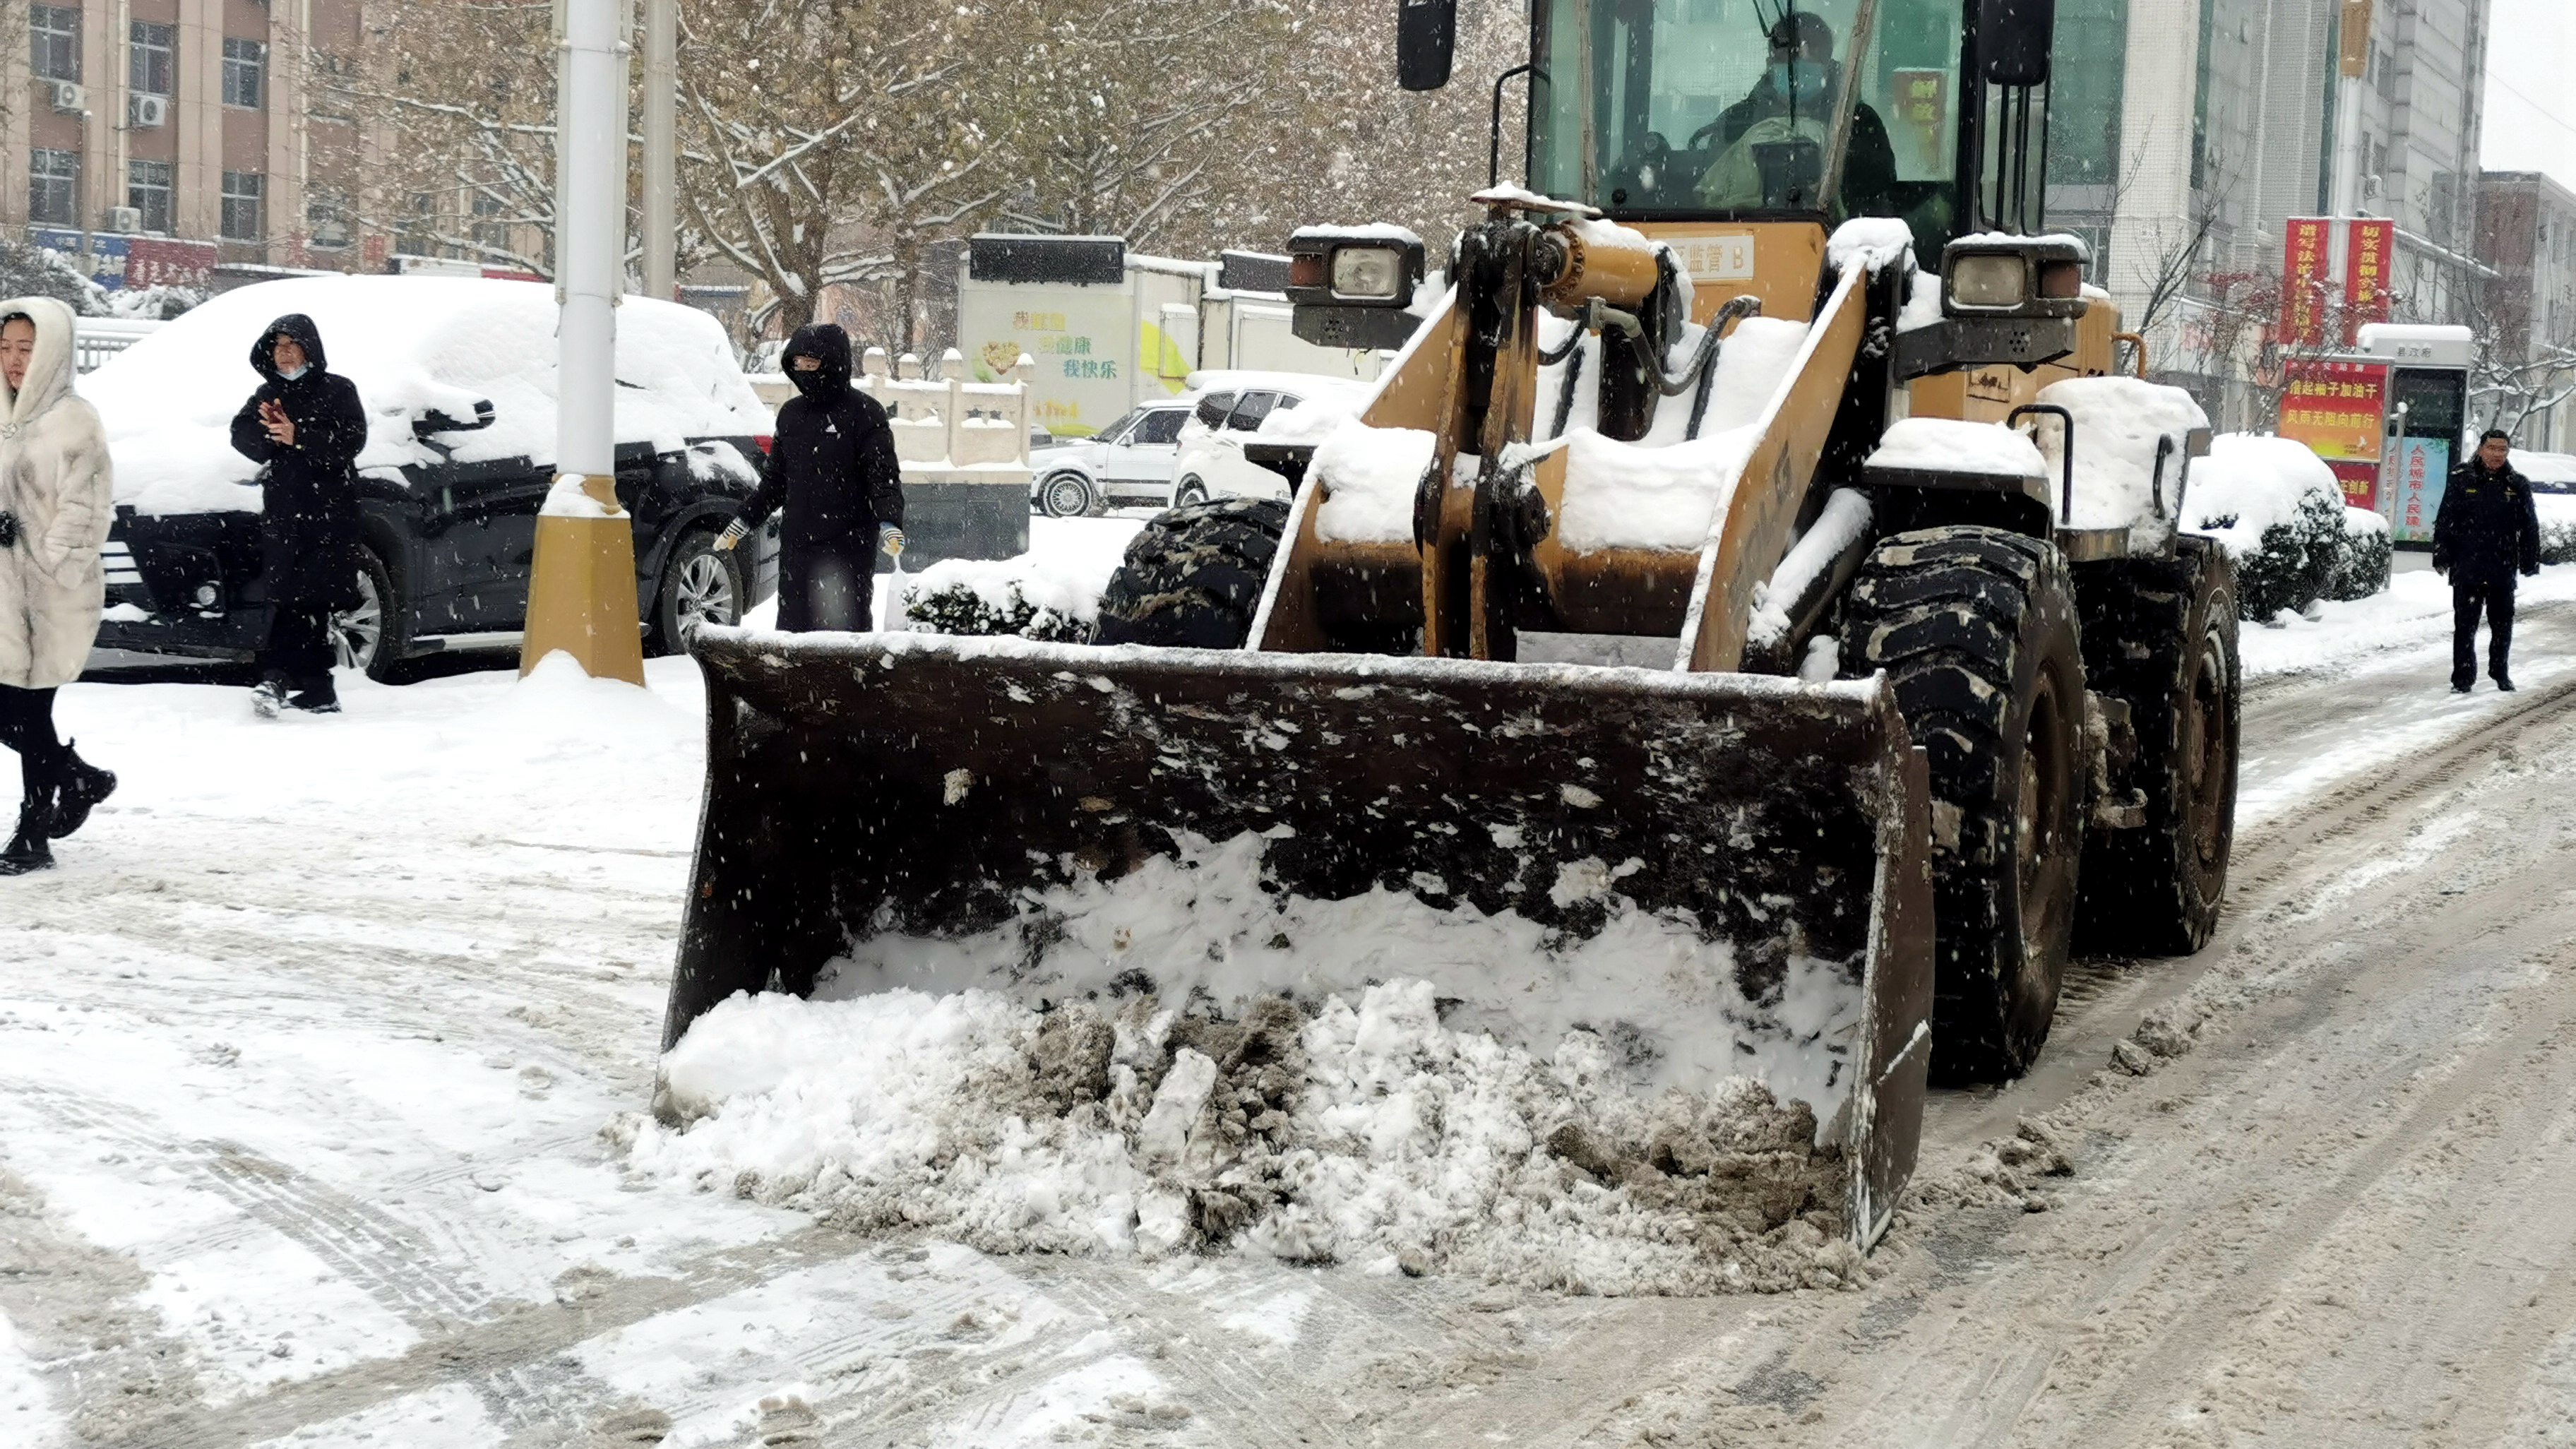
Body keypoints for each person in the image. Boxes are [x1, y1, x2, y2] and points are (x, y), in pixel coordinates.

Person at [0, 297, 118, 875]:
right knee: (9, 712)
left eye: (27, 348)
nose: (15, 361)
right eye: (5, 348)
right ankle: (80, 779)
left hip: (50, 595)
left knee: (29, 711)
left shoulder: (75, 419)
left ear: (51, 350)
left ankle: (32, 831)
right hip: (1, 594)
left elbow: (86, 508)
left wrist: (48, 560)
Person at [717, 323, 905, 631]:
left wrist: (889, 522)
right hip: (798, 543)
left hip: (849, 544)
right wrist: (744, 519)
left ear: (833, 363)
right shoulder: (791, 415)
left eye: (812, 364)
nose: (804, 371)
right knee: (794, 629)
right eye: (798, 364)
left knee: (844, 628)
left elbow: (882, 476)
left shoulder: (864, 413)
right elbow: (776, 480)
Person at [229, 314, 369, 715]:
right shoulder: (267, 393)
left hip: (328, 515)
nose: (285, 352)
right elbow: (242, 435)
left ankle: (276, 678)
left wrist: (300, 435)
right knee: (292, 599)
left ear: (310, 348)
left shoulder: (339, 389)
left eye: (293, 344)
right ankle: (318, 689)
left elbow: (351, 441)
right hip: (285, 514)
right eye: (278, 345)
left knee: (310, 600)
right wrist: (269, 433)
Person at [1697, 11, 1899, 215]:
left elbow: (1879, 185)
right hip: (1746, 237)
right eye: (1792, 49)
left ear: (1828, 62)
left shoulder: (1858, 121)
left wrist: (1838, 180)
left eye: (1815, 47)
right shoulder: (1737, 121)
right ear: (1771, 62)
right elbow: (1713, 189)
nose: (1804, 55)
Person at [2433, 429, 2543, 693]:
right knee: (2465, 625)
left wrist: (2530, 560)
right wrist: (2441, 553)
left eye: (2502, 450)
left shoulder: (2517, 484)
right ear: (2481, 449)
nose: (2497, 454)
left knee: (2502, 624)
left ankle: (2500, 671)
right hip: (2467, 564)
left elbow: (2529, 526)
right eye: (2492, 448)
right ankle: (2463, 677)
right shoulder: (2462, 478)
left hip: (2502, 565)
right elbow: (2446, 517)